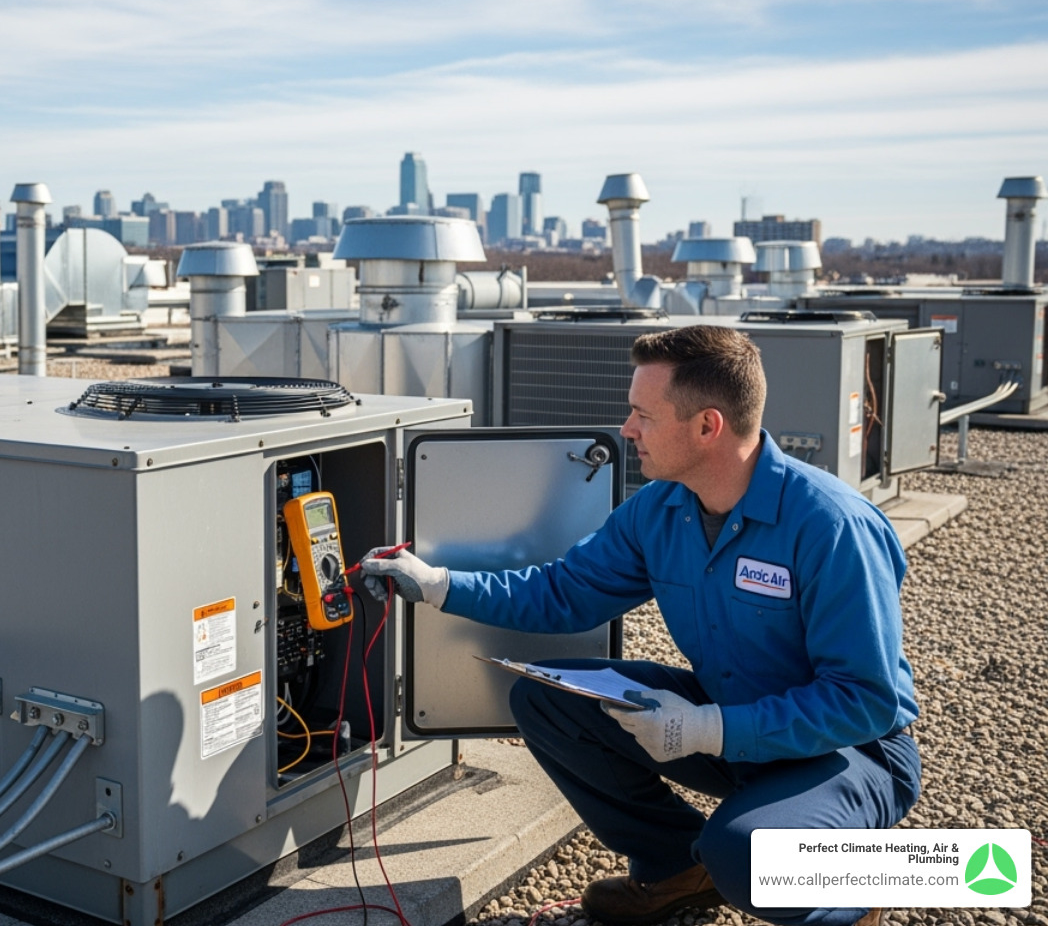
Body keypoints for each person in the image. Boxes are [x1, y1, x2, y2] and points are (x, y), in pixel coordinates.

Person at [360, 325, 919, 926]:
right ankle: (676, 867)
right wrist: (440, 585)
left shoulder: (831, 525)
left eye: (642, 415)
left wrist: (709, 728)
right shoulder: (661, 510)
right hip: (729, 718)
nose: (627, 430)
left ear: (708, 426)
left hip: (848, 752)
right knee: (547, 699)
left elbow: (865, 701)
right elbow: (564, 594)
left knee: (748, 855)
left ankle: (859, 888)